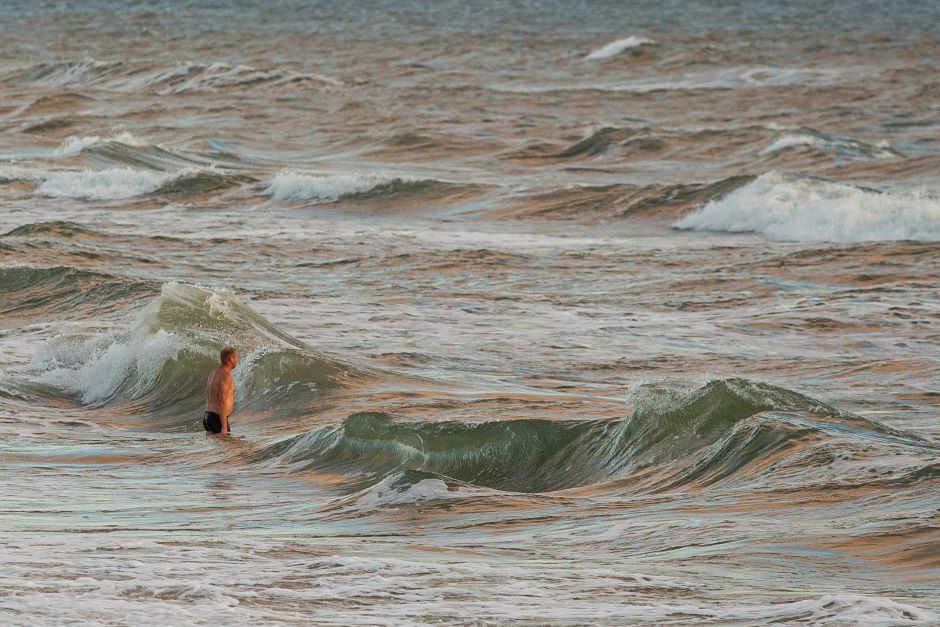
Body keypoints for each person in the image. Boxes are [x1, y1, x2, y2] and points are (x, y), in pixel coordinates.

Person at [203, 346, 237, 434]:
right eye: (236, 358)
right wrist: (224, 427)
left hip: (208, 417)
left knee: (216, 447)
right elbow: (222, 401)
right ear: (231, 359)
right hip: (217, 419)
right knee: (230, 447)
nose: (237, 360)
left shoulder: (213, 372)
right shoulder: (226, 376)